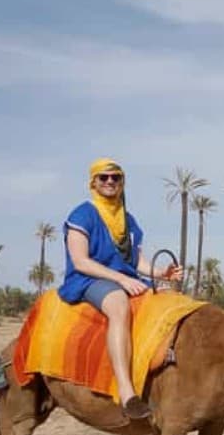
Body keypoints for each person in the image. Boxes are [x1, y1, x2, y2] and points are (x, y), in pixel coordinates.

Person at [57, 158, 182, 419]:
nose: (110, 182)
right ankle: (127, 392)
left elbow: (135, 260)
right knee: (118, 304)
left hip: (122, 277)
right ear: (94, 182)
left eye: (115, 177)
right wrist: (121, 280)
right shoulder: (82, 215)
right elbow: (81, 261)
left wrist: (162, 273)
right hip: (88, 279)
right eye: (104, 177)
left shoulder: (128, 220)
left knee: (169, 299)